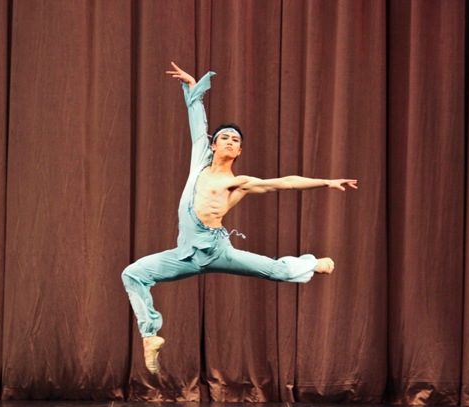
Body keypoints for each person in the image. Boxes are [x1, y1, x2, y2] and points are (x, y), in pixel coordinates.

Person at [122, 62, 357, 374]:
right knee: (133, 274)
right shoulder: (199, 161)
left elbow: (284, 183)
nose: (230, 141)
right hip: (185, 255)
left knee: (275, 271)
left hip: (217, 251)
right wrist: (193, 88)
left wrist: (326, 182)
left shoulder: (239, 183)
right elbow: (197, 121)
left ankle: (312, 264)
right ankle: (150, 334)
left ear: (239, 152)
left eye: (235, 140)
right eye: (225, 137)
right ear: (214, 144)